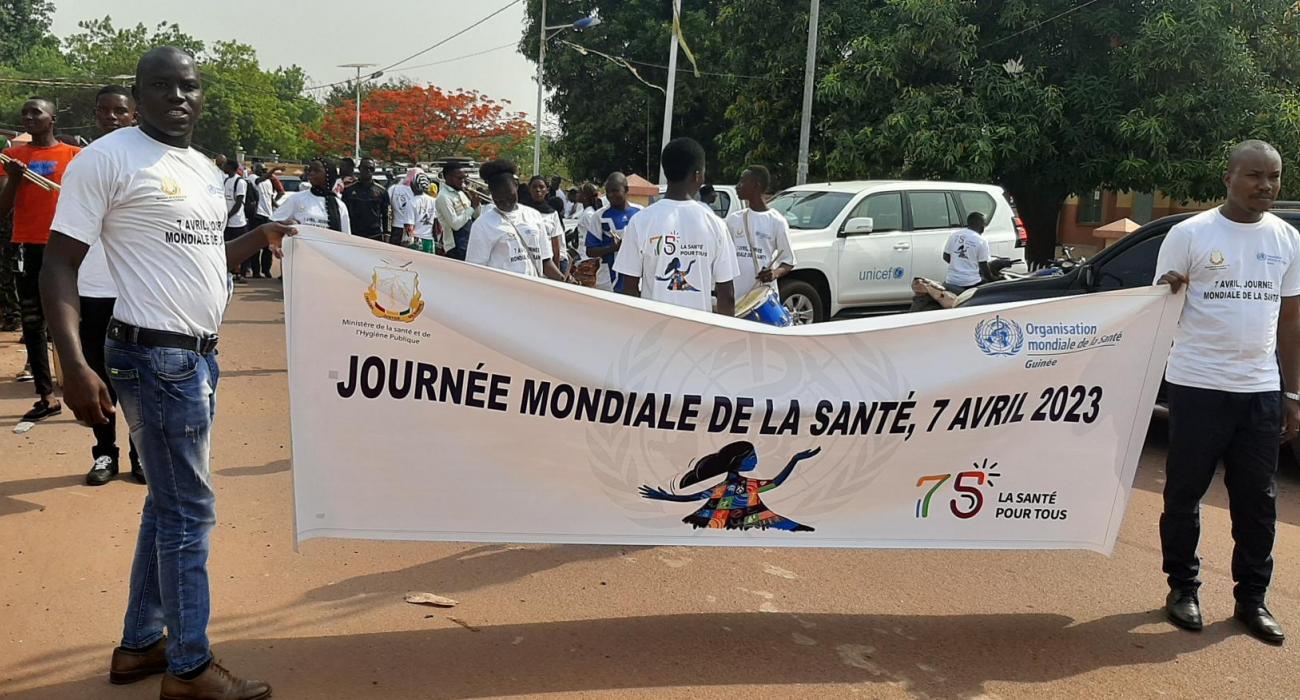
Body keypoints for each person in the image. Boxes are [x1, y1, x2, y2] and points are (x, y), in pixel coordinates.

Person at [41, 46, 290, 698]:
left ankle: (141, 644)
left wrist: (263, 239)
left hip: (198, 356)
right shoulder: (109, 159)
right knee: (191, 513)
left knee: (168, 503)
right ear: (138, 93)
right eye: (163, 87)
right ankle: (189, 668)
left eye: (190, 87)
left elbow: (208, 258)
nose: (180, 98)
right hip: (153, 358)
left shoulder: (205, 170)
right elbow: (58, 265)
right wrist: (71, 362)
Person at [1155, 139, 1300, 646]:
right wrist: (1168, 289)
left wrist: (1292, 393)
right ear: (1229, 177)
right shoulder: (1189, 233)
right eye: (1254, 175)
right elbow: (1158, 308)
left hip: (1259, 391)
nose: (1266, 185)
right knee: (1184, 494)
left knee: (1258, 502)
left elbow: (1290, 319)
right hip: (1197, 386)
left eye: (1274, 176)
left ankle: (1252, 601)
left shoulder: (1286, 238)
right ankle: (1183, 589)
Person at [1, 97, 81, 422]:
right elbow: (2, 208)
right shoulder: (12, 157)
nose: (29, 117)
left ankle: (81, 384)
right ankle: (46, 396)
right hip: (27, 246)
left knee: (76, 317)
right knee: (33, 320)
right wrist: (16, 178)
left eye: (37, 112)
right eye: (25, 113)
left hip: (66, 247)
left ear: (53, 118)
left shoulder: (74, 157)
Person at [80, 84, 143, 486]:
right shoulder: (85, 162)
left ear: (133, 114)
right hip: (93, 289)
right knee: (99, 376)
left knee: (137, 379)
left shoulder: (146, 162)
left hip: (135, 291)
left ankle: (142, 455)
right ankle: (105, 454)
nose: (112, 117)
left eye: (120, 111)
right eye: (105, 111)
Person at [613, 137, 737, 315]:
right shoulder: (715, 224)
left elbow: (629, 289)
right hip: (698, 336)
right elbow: (727, 295)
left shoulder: (640, 221)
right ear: (697, 175)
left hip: (651, 336)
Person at [639, 442, 821, 531]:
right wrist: (664, 497)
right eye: (751, 458)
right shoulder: (725, 487)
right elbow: (693, 497)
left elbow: (775, 483)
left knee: (787, 524)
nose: (756, 460)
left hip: (752, 516)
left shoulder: (748, 484)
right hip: (725, 519)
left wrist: (795, 460)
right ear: (738, 462)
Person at [466, 159, 564, 280]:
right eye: (499, 199)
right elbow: (475, 271)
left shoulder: (534, 216)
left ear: (516, 186)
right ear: (491, 194)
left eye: (510, 195)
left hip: (532, 293)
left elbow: (545, 261)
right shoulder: (482, 225)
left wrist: (564, 281)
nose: (506, 202)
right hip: (502, 295)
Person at [726, 165, 795, 301]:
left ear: (755, 185)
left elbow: (788, 261)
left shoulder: (777, 221)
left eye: (742, 181)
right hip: (737, 297)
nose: (737, 186)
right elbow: (725, 257)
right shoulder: (734, 219)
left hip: (763, 297)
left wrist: (774, 273)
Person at [584, 172, 642, 292]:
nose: (610, 195)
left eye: (615, 190)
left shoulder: (640, 213)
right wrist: (614, 248)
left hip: (637, 277)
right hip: (609, 279)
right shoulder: (599, 216)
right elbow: (590, 251)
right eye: (608, 191)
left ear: (626, 190)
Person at [272, 159, 350, 234]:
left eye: (316, 170)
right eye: (310, 170)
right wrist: (289, 225)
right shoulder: (296, 199)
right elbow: (272, 223)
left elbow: (346, 237)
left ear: (328, 174)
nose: (311, 173)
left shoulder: (339, 205)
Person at [435, 159, 480, 260]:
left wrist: (476, 204)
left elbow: (475, 217)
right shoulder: (443, 197)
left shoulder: (461, 193)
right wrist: (472, 207)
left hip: (469, 241)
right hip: (456, 246)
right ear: (448, 177)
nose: (463, 182)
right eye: (459, 178)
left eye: (464, 178)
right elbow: (455, 224)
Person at [525, 175, 569, 275]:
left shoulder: (552, 214)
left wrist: (556, 270)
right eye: (534, 187)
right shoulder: (523, 212)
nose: (538, 190)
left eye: (541, 187)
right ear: (529, 189)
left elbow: (556, 244)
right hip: (528, 262)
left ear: (547, 190)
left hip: (548, 264)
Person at [341, 157, 389, 241]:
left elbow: (385, 215)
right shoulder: (348, 190)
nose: (368, 170)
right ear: (359, 168)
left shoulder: (382, 191)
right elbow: (343, 213)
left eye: (371, 168)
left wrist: (386, 233)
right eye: (365, 168)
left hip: (375, 235)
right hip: (354, 234)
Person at [943, 212, 992, 293]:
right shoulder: (981, 241)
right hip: (970, 283)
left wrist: (958, 263)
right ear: (981, 226)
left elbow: (945, 257)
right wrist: (993, 279)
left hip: (951, 281)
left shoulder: (954, 235)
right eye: (984, 225)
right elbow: (983, 266)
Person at [219, 157, 248, 283]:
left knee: (240, 248)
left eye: (225, 165)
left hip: (238, 222)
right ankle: (229, 271)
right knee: (227, 247)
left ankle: (240, 273)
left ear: (231, 167)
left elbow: (239, 203)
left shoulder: (240, 182)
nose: (223, 167)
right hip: (227, 222)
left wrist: (229, 215)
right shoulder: (226, 180)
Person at [250, 164, 276, 278]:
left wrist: (278, 207)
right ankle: (256, 271)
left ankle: (266, 270)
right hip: (258, 215)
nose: (264, 172)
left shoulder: (268, 182)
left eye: (265, 170)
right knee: (256, 245)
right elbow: (259, 180)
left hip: (268, 215)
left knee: (268, 246)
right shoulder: (253, 178)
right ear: (255, 169)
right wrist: (273, 170)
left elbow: (270, 199)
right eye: (262, 169)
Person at [388, 168, 418, 247]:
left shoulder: (393, 188)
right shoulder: (418, 192)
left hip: (396, 227)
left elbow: (387, 206)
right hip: (412, 229)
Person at [409, 173, 438, 253]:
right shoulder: (433, 201)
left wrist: (408, 240)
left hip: (416, 240)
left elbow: (409, 226)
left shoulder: (411, 202)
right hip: (429, 240)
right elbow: (436, 222)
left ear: (413, 186)